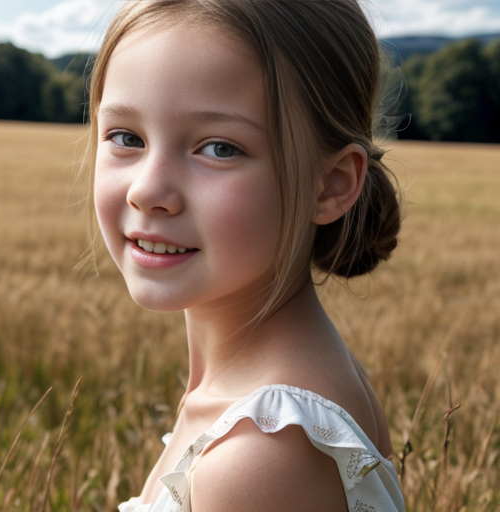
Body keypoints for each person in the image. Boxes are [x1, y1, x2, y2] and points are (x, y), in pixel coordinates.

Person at [86, 0, 404, 510]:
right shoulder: (270, 399)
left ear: (331, 185)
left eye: (219, 148)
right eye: (126, 137)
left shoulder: (262, 454)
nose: (147, 191)